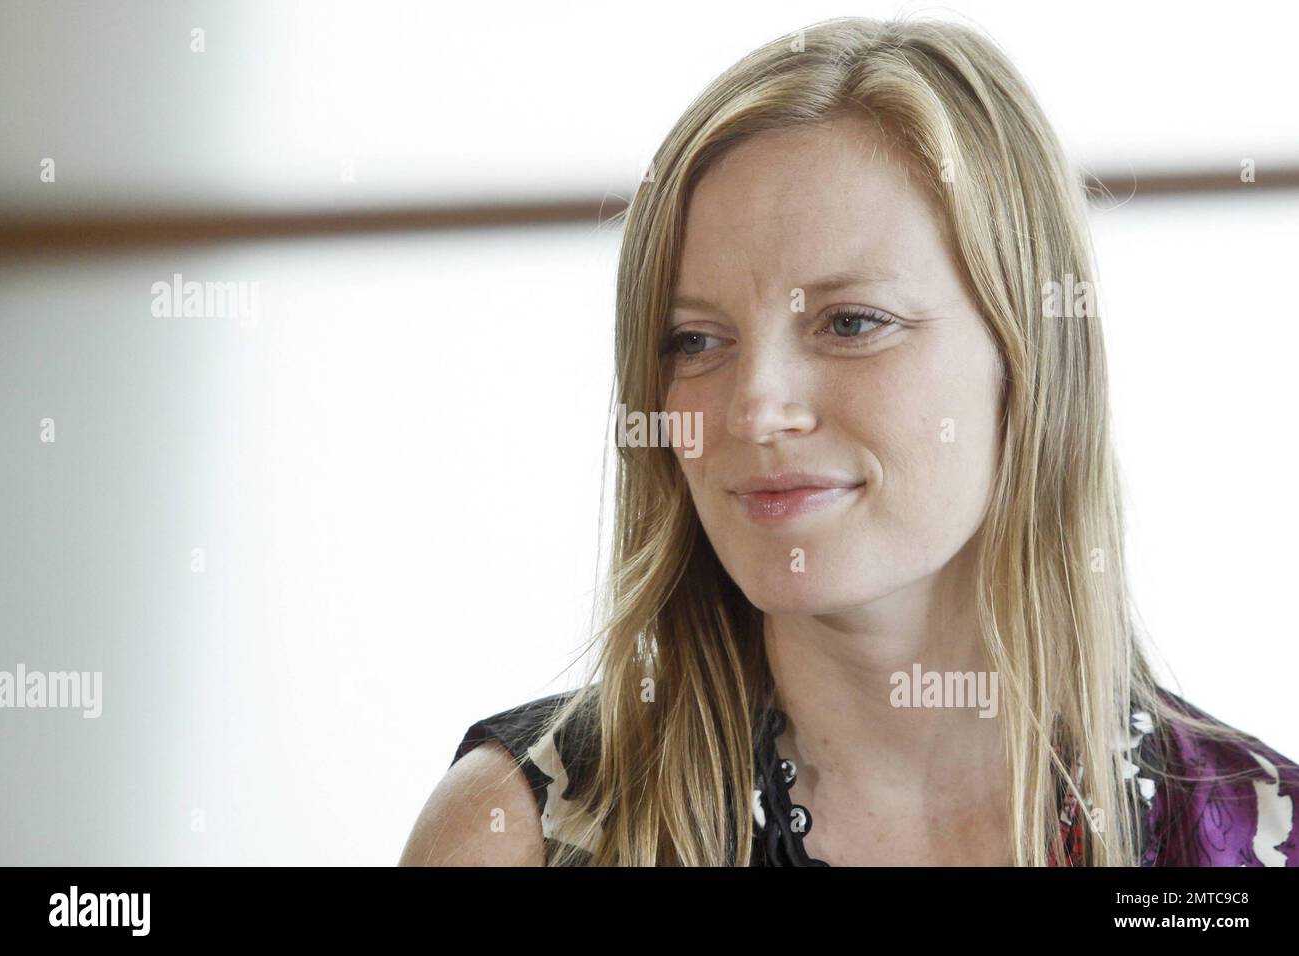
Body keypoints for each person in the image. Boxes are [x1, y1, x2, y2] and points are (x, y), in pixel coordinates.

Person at [399, 16, 1298, 867]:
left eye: (852, 322)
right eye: (696, 340)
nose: (756, 411)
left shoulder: (1257, 837)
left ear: (1029, 357)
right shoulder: (524, 833)